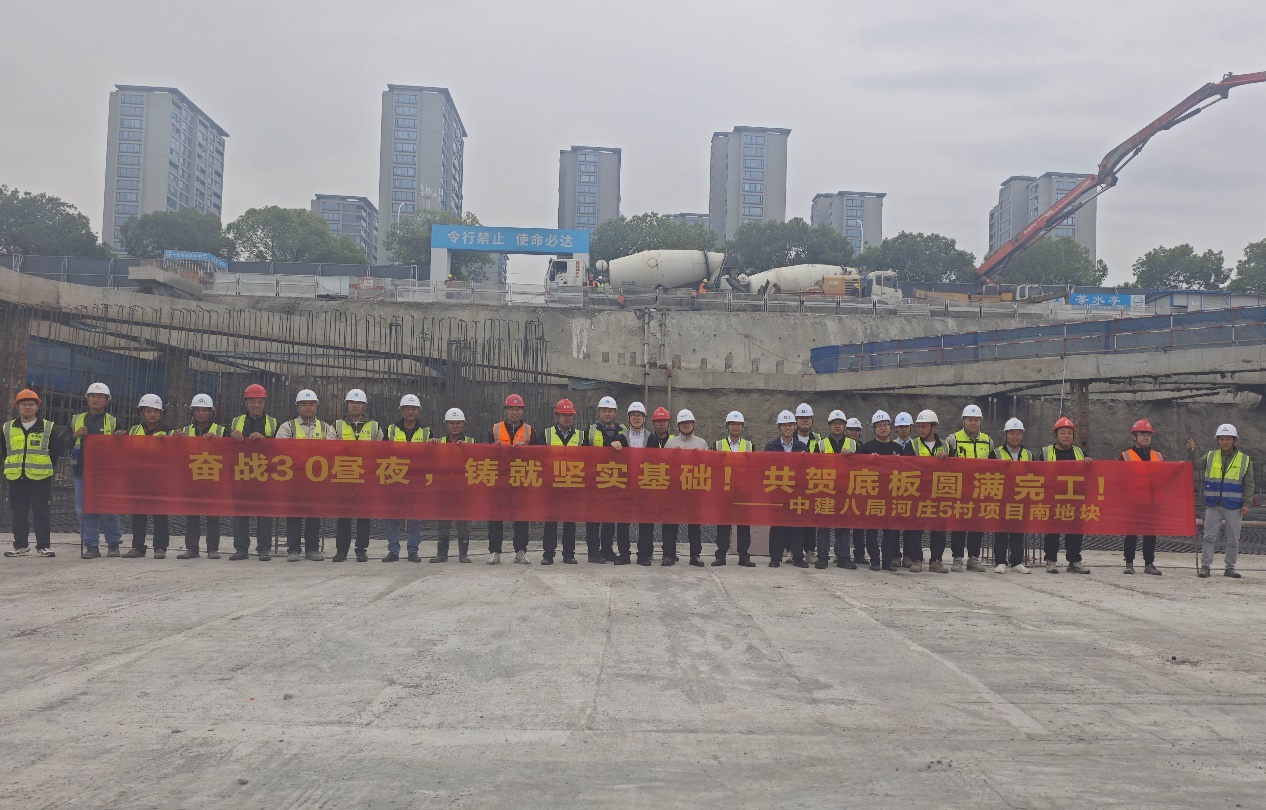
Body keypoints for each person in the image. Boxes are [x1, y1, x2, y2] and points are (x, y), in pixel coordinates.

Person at [1187, 424, 1253, 579]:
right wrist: (1192, 451)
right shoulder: (1210, 456)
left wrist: (1247, 503)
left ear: (1234, 440)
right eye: (1222, 439)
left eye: (1228, 439)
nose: (1225, 442)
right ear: (1217, 440)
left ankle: (1230, 568)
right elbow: (1195, 466)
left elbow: (1249, 484)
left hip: (1234, 505)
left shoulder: (1245, 459)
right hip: (1213, 504)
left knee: (1233, 539)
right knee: (1209, 537)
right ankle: (1205, 567)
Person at [3, 389, 62, 559]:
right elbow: (4, 451)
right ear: (17, 406)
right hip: (16, 477)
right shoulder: (7, 428)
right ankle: (20, 545)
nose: (27, 407)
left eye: (31, 404)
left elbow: (55, 452)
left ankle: (43, 546)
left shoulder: (48, 427)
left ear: (37, 406)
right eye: (24, 404)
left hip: (40, 477)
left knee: (41, 512)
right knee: (18, 512)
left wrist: (46, 469)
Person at [274, 389, 330, 562]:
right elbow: (281, 449)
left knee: (314, 514)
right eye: (304, 404)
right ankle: (293, 549)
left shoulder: (325, 428)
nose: (308, 407)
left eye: (311, 404)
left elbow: (331, 450)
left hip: (316, 479)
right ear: (297, 407)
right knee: (294, 514)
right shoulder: (287, 427)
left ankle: (312, 549)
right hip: (294, 478)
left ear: (316, 406)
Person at [71, 382, 123, 559]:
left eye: (100, 397)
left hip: (105, 473)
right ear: (87, 399)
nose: (96, 399)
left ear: (106, 401)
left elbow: (123, 447)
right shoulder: (76, 420)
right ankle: (91, 545)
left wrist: (118, 439)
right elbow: (64, 442)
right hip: (82, 471)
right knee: (84, 510)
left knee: (107, 509)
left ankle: (113, 544)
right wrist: (76, 435)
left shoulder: (113, 421)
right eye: (93, 396)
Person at [329, 388, 382, 562]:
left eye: (359, 403)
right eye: (352, 402)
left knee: (364, 515)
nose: (355, 406)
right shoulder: (336, 425)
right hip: (344, 476)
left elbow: (382, 450)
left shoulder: (374, 426)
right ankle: (341, 550)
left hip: (366, 478)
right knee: (343, 515)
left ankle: (361, 550)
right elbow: (328, 448)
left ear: (364, 406)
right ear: (346, 405)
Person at [860, 410, 914, 571]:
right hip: (872, 494)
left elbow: (907, 471)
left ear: (890, 427)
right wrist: (869, 461)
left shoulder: (897, 448)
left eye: (885, 425)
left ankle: (888, 561)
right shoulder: (867, 448)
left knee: (890, 531)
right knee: (872, 530)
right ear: (874, 428)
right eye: (879, 426)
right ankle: (875, 560)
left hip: (891, 495)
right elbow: (858, 470)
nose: (883, 428)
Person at [230, 384, 279, 561]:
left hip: (264, 473)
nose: (256, 405)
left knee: (264, 513)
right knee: (240, 512)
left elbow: (280, 447)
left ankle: (263, 549)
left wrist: (265, 440)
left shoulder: (273, 422)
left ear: (264, 403)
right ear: (246, 403)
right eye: (252, 402)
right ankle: (241, 549)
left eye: (259, 402)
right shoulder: (236, 422)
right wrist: (232, 435)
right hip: (242, 473)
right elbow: (226, 446)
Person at [944, 404, 994, 572]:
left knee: (977, 525)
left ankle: (974, 558)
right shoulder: (953, 440)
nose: (973, 423)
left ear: (980, 422)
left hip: (979, 490)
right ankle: (957, 558)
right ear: (963, 420)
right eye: (970, 419)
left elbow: (993, 466)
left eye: (976, 420)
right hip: (959, 490)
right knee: (958, 525)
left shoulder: (988, 441)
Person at [120, 394, 171, 559]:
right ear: (142, 412)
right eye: (148, 411)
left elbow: (175, 452)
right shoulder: (133, 430)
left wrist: (170, 440)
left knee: (160, 514)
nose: (152, 414)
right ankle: (138, 547)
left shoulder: (168, 430)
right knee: (138, 513)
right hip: (138, 478)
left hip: (159, 478)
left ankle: (160, 547)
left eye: (156, 411)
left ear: (160, 413)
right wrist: (118, 437)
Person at [1040, 417, 1092, 574]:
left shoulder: (1079, 452)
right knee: (1052, 530)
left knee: (1075, 530)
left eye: (1069, 433)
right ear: (1055, 435)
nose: (1066, 436)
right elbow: (1037, 473)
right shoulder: (1045, 452)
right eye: (1062, 432)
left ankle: (1074, 561)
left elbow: (1088, 475)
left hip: (1074, 498)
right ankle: (1051, 560)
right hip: (1053, 498)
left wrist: (1088, 463)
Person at [177, 394, 224, 560]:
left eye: (204, 410)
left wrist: (216, 441)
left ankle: (212, 548)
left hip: (213, 477)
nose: (201, 413)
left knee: (213, 516)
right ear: (193, 412)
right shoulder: (185, 431)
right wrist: (176, 440)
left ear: (210, 412)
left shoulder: (221, 431)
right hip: (192, 478)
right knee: (192, 515)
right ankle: (192, 548)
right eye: (198, 410)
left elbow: (230, 451)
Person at [489, 393, 536, 565]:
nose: (514, 413)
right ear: (505, 410)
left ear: (522, 411)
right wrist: (493, 447)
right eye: (511, 409)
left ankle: (520, 551)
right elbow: (484, 452)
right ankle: (495, 551)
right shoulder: (495, 429)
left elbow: (538, 454)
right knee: (495, 516)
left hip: (520, 479)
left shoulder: (529, 430)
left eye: (517, 409)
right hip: (499, 479)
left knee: (521, 516)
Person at [584, 395, 630, 564]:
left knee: (609, 518)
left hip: (614, 480)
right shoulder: (590, 430)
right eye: (604, 410)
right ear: (599, 412)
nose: (607, 413)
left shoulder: (623, 430)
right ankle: (593, 552)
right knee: (593, 519)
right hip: (595, 481)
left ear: (615, 413)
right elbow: (583, 453)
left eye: (610, 411)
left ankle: (607, 550)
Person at [382, 394, 428, 563]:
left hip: (416, 480)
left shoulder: (426, 431)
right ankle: (393, 551)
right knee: (393, 517)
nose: (411, 412)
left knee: (415, 518)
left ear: (418, 411)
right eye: (407, 409)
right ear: (402, 410)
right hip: (395, 479)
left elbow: (432, 455)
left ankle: (413, 551)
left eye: (414, 409)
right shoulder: (391, 430)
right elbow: (381, 452)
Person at [764, 410, 809, 568]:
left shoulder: (801, 447)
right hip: (778, 491)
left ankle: (798, 557)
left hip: (796, 492)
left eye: (790, 425)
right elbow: (766, 467)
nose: (788, 428)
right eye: (784, 425)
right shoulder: (771, 446)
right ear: (779, 427)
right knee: (777, 525)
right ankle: (775, 558)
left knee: (797, 525)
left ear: (794, 426)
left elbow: (807, 470)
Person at [662, 409, 708, 566]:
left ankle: (695, 555)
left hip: (693, 489)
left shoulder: (701, 443)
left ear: (693, 424)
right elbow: (664, 466)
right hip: (674, 489)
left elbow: (707, 466)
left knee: (694, 524)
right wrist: (673, 456)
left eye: (688, 422)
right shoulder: (671, 443)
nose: (686, 425)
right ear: (678, 426)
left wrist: (699, 458)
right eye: (683, 423)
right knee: (670, 523)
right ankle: (669, 554)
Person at [812, 410, 857, 570]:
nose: (837, 426)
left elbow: (861, 467)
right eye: (834, 423)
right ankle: (822, 557)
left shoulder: (853, 445)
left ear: (844, 426)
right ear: (829, 426)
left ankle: (843, 557)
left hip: (845, 490)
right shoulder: (821, 444)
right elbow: (813, 466)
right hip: (825, 489)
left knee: (843, 525)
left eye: (840, 423)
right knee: (823, 526)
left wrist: (851, 457)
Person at [713, 411, 756, 567]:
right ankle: (721, 555)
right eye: (732, 424)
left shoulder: (750, 445)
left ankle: (743, 556)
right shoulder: (717, 445)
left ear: (742, 427)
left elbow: (753, 468)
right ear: (727, 426)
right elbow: (713, 467)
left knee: (744, 524)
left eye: (738, 424)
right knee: (723, 524)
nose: (735, 427)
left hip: (743, 491)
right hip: (724, 491)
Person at [432, 408, 475, 563]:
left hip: (463, 490)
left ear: (463, 424)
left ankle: (463, 554)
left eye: (458, 423)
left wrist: (467, 449)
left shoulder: (471, 442)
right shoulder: (438, 443)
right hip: (444, 489)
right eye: (452, 423)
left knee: (463, 523)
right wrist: (429, 446)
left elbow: (478, 462)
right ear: (446, 425)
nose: (455, 426)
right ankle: (442, 553)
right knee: (443, 523)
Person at [542, 399, 582, 565]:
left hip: (572, 484)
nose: (567, 418)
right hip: (552, 485)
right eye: (563, 415)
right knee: (550, 521)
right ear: (556, 416)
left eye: (570, 415)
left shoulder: (580, 436)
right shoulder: (546, 434)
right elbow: (537, 458)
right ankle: (548, 554)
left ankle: (568, 554)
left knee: (570, 521)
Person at [1120, 419, 1163, 575]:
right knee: (1131, 533)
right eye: (1142, 434)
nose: (1146, 437)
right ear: (1134, 437)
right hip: (1133, 501)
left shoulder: (1157, 456)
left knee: (1150, 533)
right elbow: (1119, 479)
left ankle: (1149, 563)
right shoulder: (1125, 456)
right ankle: (1129, 563)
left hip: (1152, 502)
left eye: (1148, 434)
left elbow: (1164, 477)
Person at [909, 410, 949, 573]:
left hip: (939, 492)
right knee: (915, 527)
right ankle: (916, 560)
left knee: (939, 528)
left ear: (933, 427)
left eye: (924, 426)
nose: (920, 430)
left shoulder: (946, 445)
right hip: (918, 492)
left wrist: (946, 459)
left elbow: (955, 467)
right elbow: (905, 466)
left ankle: (936, 560)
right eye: (919, 426)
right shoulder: (913, 445)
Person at [990, 418, 1032, 574]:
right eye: (1012, 433)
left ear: (1022, 436)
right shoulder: (995, 453)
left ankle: (1016, 561)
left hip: (1021, 497)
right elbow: (989, 473)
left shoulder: (1028, 454)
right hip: (1001, 497)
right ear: (1005, 435)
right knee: (1001, 530)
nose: (1015, 437)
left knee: (1018, 531)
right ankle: (1000, 561)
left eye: (1018, 434)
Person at [624, 401, 658, 565]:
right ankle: (624, 554)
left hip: (645, 485)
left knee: (646, 522)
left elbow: (657, 462)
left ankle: (644, 555)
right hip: (625, 486)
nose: (636, 418)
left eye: (639, 415)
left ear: (644, 418)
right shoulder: (621, 438)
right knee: (623, 521)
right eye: (633, 415)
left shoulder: (652, 439)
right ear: (628, 418)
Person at [792, 403, 824, 563]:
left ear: (812, 420)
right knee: (793, 519)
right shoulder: (790, 437)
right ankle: (792, 550)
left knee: (811, 520)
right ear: (796, 420)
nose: (805, 420)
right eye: (801, 418)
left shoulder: (819, 439)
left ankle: (810, 551)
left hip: (813, 483)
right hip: (794, 484)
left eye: (807, 418)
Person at [648, 406, 676, 564]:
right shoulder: (648, 439)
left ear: (668, 423)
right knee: (648, 520)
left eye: (664, 421)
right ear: (653, 423)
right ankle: (647, 551)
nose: (661, 424)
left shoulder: (674, 441)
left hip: (668, 487)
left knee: (669, 521)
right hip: (650, 485)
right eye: (658, 421)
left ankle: (669, 553)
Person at [843, 416, 868, 566]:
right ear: (846, 430)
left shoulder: (863, 448)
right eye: (851, 429)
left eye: (856, 430)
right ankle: (842, 553)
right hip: (843, 489)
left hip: (859, 489)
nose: (854, 432)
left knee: (859, 525)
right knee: (843, 525)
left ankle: (859, 554)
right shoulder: (842, 446)